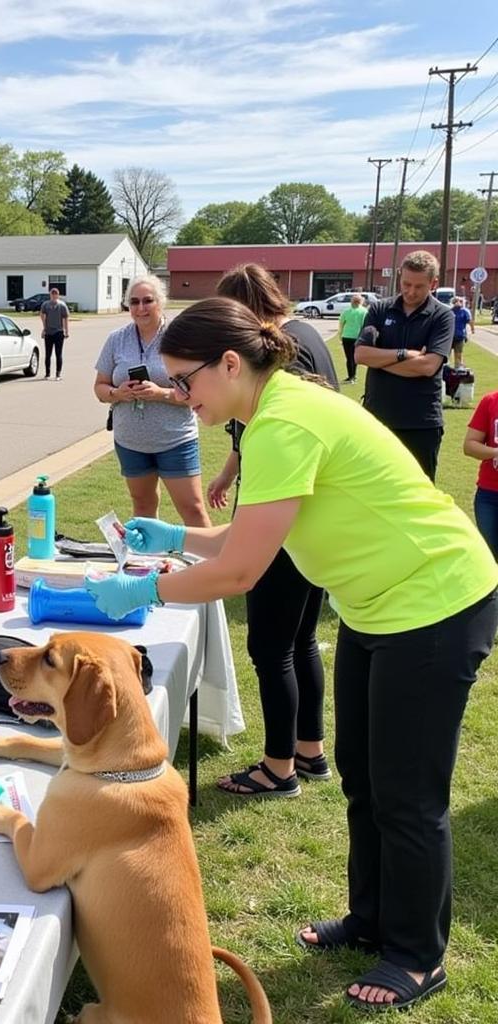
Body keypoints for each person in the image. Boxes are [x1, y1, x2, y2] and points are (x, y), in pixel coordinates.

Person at [85, 297, 497, 1012]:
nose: (182, 397)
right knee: (363, 778)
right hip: (379, 607)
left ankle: (418, 955)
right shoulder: (273, 411)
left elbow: (241, 573)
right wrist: (172, 538)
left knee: (408, 795)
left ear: (232, 364)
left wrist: (149, 595)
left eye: (187, 381)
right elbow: (243, 539)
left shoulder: (284, 423)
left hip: (435, 604)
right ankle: (373, 921)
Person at [208, 263, 338, 797]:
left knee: (269, 646)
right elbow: (250, 431)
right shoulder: (302, 336)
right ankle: (310, 751)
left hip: (286, 518)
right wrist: (228, 471)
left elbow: (283, 437)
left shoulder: (288, 349)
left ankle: (277, 768)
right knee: (301, 638)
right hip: (303, 519)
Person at [93, 274, 210, 526]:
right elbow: (100, 387)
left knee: (193, 509)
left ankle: (211, 564)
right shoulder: (117, 339)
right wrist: (118, 393)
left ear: (161, 302)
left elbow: (200, 392)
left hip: (175, 439)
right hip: (130, 441)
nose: (141, 308)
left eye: (148, 301)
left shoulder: (180, 338)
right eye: (134, 302)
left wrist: (161, 393)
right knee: (143, 506)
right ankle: (148, 564)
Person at [356, 250, 454, 482]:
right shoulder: (380, 309)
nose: (410, 291)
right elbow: (360, 355)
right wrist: (403, 355)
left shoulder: (442, 316)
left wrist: (380, 360)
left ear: (433, 283)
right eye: (406, 283)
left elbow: (428, 367)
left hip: (420, 424)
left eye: (419, 286)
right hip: (377, 420)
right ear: (400, 277)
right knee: (372, 490)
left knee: (419, 493)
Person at [465, 388, 498, 559]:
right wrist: (495, 453)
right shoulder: (491, 401)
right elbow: (470, 445)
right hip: (490, 495)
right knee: (489, 559)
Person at [336, 292, 367, 384]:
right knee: (354, 357)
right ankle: (353, 376)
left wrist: (340, 335)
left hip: (346, 336)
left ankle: (351, 376)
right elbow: (364, 325)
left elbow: (341, 324)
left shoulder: (346, 311)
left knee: (349, 358)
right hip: (357, 337)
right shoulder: (364, 311)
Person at [39, 287, 69, 380]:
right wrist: (44, 328)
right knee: (48, 354)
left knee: (58, 354)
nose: (54, 296)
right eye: (52, 294)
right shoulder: (46, 305)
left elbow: (65, 318)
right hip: (49, 332)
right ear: (50, 295)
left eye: (55, 294)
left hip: (59, 332)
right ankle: (47, 373)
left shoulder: (62, 305)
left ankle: (58, 374)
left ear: (58, 295)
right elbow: (42, 315)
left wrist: (66, 330)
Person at [450, 295, 474, 367]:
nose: (458, 303)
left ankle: (458, 368)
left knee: (458, 354)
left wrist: (472, 329)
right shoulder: (450, 311)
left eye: (460, 301)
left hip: (460, 336)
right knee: (446, 353)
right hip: (450, 336)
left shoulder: (465, 311)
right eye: (456, 301)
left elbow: (469, 321)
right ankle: (446, 369)